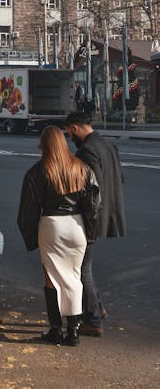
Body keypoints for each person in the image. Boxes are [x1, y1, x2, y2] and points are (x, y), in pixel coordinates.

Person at [17, 126, 100, 346]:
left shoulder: (37, 171)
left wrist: (31, 237)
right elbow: (93, 204)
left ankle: (55, 329)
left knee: (51, 280)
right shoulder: (81, 168)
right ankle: (73, 331)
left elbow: (28, 210)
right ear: (63, 143)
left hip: (51, 226)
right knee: (74, 277)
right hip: (77, 226)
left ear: (43, 144)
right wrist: (91, 231)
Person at [65, 111, 126, 337]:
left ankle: (92, 319)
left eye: (70, 132)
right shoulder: (108, 145)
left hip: (92, 217)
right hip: (108, 212)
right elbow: (120, 178)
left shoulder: (86, 151)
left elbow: (89, 190)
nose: (70, 137)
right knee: (84, 266)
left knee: (82, 268)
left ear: (77, 127)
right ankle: (97, 308)